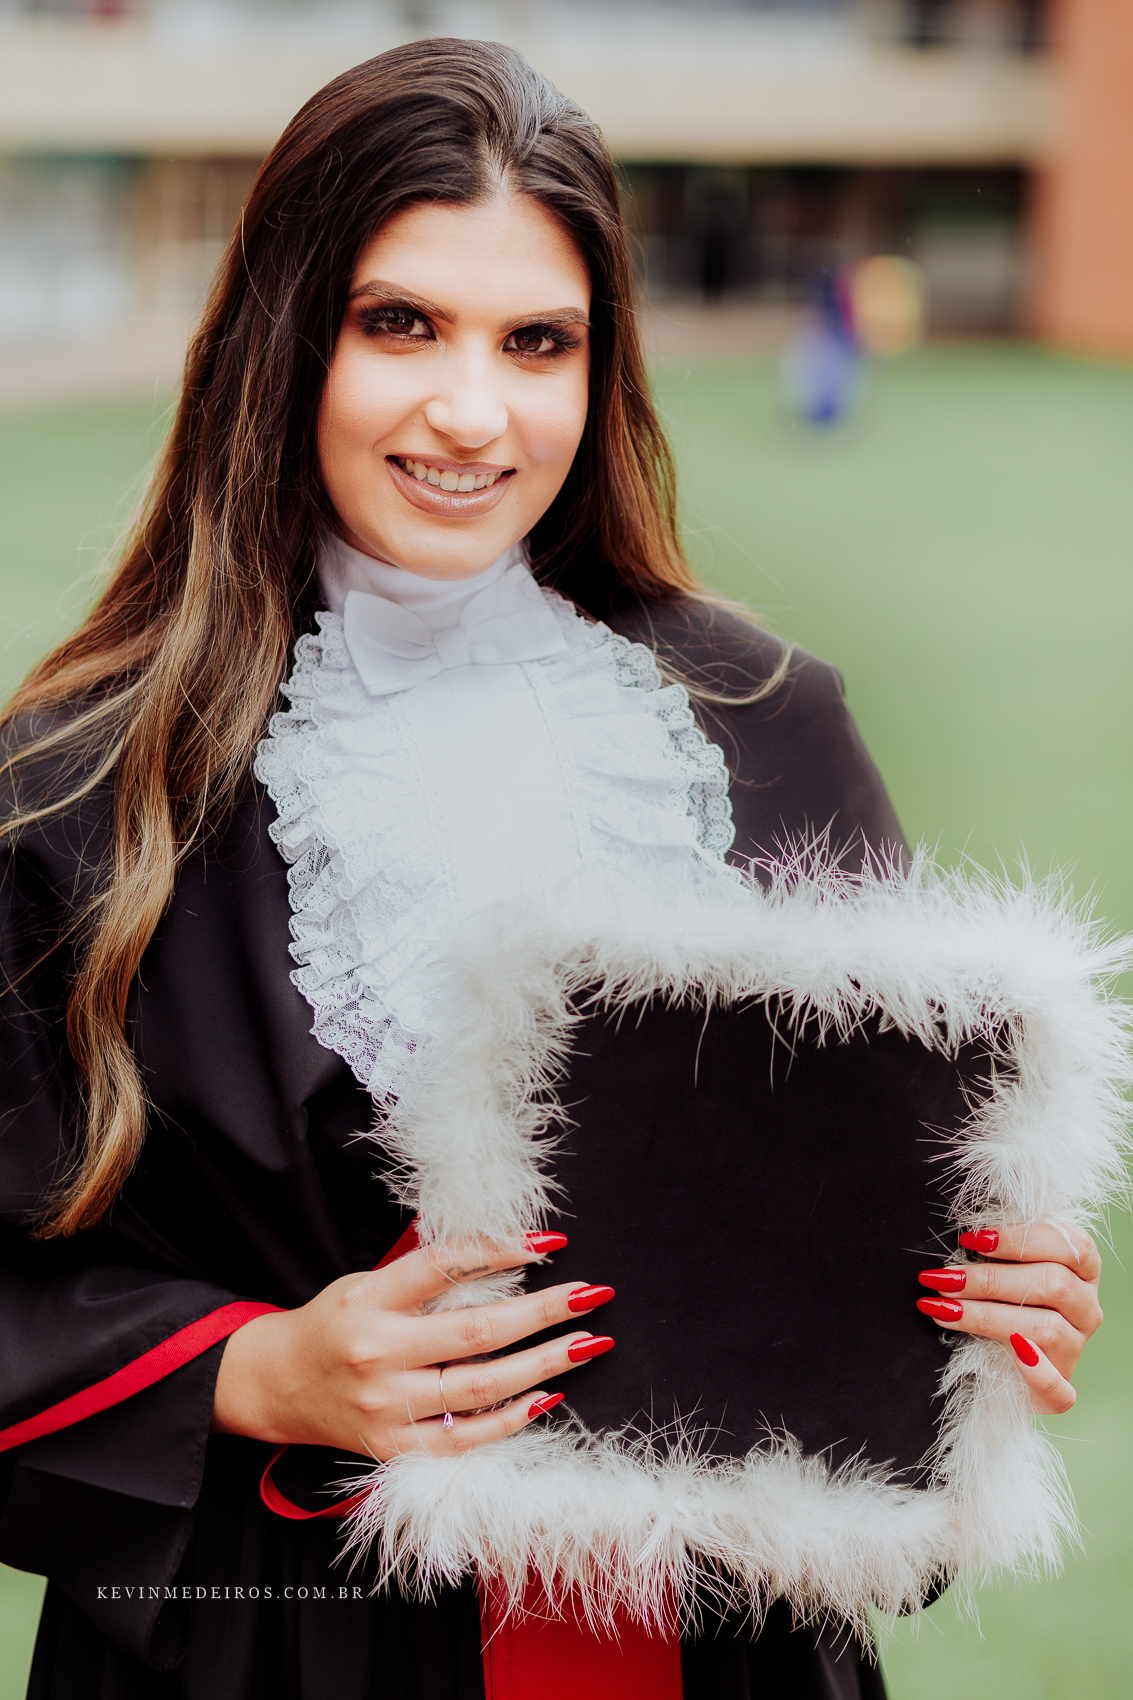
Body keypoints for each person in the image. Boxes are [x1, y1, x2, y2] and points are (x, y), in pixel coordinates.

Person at [0, 39, 1104, 1700]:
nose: (472, 409)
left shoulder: (767, 724)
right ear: (282, 340)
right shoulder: (79, 791)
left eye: (538, 341)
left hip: (724, 1650)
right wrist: (261, 1370)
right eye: (400, 325)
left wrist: (983, 1298)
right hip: (284, 1643)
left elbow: (876, 1239)